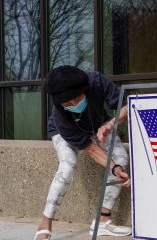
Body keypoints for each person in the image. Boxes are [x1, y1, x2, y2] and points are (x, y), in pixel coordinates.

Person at [34, 65, 131, 240]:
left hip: (100, 125)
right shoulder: (60, 117)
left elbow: (127, 107)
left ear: (85, 90)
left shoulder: (96, 81)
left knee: (121, 157)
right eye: (67, 103)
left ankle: (102, 220)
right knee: (68, 165)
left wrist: (111, 125)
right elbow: (91, 149)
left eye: (77, 98)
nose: (74, 105)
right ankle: (45, 221)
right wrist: (113, 168)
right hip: (63, 132)